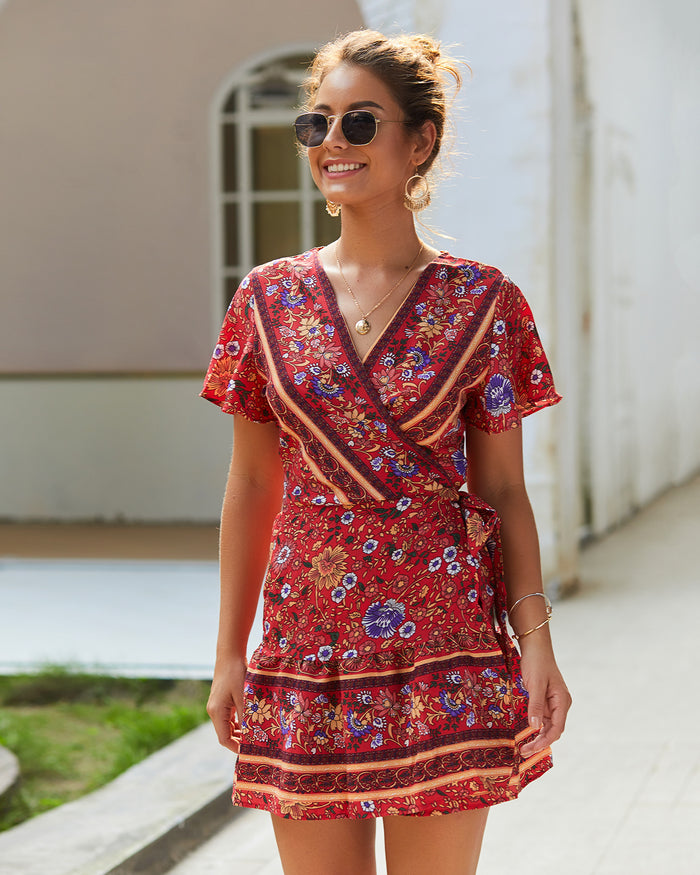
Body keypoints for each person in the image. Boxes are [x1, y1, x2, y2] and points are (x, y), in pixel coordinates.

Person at [201, 29, 572, 875]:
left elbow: (504, 491)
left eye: (360, 122)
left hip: (447, 649)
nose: (332, 141)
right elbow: (252, 483)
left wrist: (538, 643)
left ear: (420, 141)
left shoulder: (484, 301)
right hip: (306, 651)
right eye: (316, 122)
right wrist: (228, 655)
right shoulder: (265, 299)